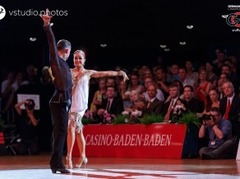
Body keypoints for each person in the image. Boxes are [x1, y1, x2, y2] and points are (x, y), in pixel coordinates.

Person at [66, 49, 128, 169]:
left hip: (80, 105)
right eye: (75, 58)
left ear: (84, 60)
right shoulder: (69, 72)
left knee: (71, 127)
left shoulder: (87, 73)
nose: (77, 60)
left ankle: (68, 156)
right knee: (78, 131)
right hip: (71, 103)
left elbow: (105, 73)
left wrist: (120, 73)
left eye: (80, 58)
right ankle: (83, 156)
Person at [40, 9, 72, 174]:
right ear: (66, 50)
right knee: (60, 134)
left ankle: (56, 164)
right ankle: (57, 164)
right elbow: (51, 43)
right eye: (69, 52)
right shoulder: (57, 60)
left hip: (62, 103)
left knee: (60, 134)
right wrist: (47, 25)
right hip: (58, 102)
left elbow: (68, 86)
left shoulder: (65, 66)